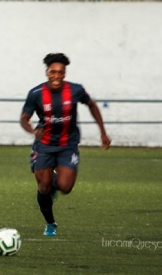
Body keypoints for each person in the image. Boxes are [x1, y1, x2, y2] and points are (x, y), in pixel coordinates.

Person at [19, 53, 111, 237]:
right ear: (47, 72)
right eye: (53, 72)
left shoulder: (75, 90)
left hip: (68, 144)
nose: (57, 76)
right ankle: (50, 223)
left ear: (64, 73)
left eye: (61, 72)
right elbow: (24, 118)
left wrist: (102, 132)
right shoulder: (36, 94)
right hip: (44, 145)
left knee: (65, 187)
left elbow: (92, 105)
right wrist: (33, 131)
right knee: (43, 187)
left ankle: (53, 182)